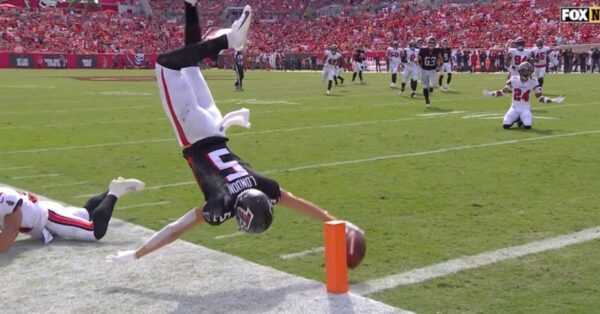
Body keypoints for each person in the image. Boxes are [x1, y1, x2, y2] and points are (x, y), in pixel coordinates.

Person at [106, 4, 362, 263]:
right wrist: (136, 255)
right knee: (165, 64)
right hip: (196, 133)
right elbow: (174, 230)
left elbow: (297, 202)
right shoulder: (221, 205)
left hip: (216, 125)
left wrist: (337, 222)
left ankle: (191, 6)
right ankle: (230, 39)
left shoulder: (264, 186)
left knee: (190, 65)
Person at [0, 178, 144, 252]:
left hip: (49, 218)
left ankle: (115, 192)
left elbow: (5, 242)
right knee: (86, 213)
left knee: (94, 231)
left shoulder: (5, 201)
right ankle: (115, 187)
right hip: (44, 212)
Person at [483, 62, 564, 130]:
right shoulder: (514, 80)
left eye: (528, 71)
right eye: (525, 71)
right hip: (514, 108)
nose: (527, 73)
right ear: (520, 72)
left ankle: (521, 120)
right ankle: (517, 119)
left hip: (525, 109)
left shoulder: (533, 82)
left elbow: (540, 98)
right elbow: (503, 92)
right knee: (506, 125)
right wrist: (491, 93)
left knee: (527, 126)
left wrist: (552, 100)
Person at [418, 36, 442, 107]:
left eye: (433, 42)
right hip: (424, 69)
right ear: (427, 43)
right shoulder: (423, 49)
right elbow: (419, 58)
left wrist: (439, 64)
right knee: (425, 86)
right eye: (430, 42)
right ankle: (427, 100)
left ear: (435, 43)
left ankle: (430, 88)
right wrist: (418, 62)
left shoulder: (437, 50)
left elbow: (439, 57)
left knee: (432, 85)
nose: (431, 44)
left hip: (432, 69)